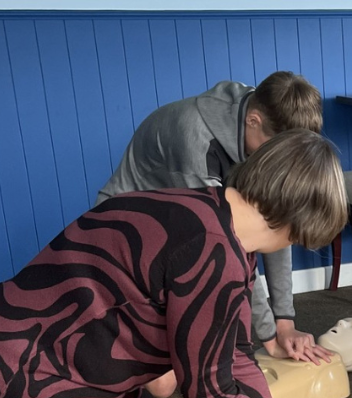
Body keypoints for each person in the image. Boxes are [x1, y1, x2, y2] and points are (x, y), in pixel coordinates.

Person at [0, 129, 352, 398]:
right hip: (28, 379)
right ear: (302, 220)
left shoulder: (222, 223)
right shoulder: (211, 251)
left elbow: (235, 353)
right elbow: (210, 389)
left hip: (97, 378)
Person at [97, 71, 329, 364]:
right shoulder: (196, 140)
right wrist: (268, 336)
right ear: (253, 121)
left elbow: (275, 224)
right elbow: (226, 241)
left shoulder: (263, 114)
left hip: (175, 225)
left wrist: (285, 322)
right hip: (124, 234)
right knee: (163, 379)